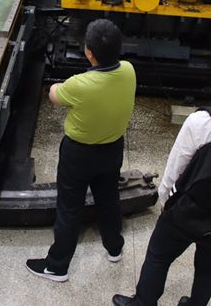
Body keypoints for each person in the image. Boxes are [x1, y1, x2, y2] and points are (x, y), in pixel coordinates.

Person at [113, 46, 211, 306]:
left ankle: (143, 302)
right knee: (208, 264)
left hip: (186, 211)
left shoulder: (200, 121)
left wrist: (165, 202)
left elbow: (176, 169)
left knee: (159, 256)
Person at [26, 18, 136, 282]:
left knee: (69, 207)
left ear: (89, 52)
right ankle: (114, 247)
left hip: (79, 155)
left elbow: (54, 95)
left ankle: (57, 266)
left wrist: (57, 86)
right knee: (108, 198)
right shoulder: (129, 70)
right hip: (112, 149)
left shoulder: (79, 85)